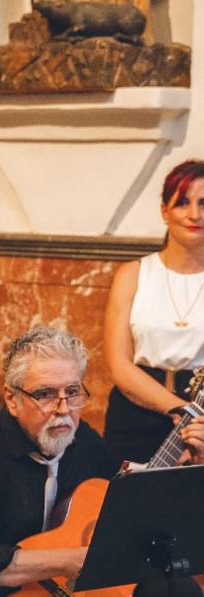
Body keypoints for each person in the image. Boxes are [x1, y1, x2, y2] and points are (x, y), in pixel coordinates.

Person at [0, 326, 204, 597]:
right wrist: (68, 561)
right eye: (46, 394)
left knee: (180, 593)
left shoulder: (81, 440)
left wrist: (192, 469)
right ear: (12, 399)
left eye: (73, 392)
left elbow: (131, 506)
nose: (63, 409)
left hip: (58, 595)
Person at [104, 159, 204, 466]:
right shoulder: (132, 274)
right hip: (135, 415)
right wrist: (179, 409)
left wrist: (196, 420)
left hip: (201, 420)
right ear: (164, 210)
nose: (195, 214)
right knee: (125, 505)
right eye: (182, 203)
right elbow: (119, 363)